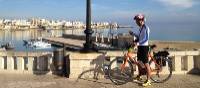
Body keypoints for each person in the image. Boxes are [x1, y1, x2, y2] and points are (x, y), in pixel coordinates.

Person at [129, 14, 151, 87]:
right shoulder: (140, 28)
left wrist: (137, 43)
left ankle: (148, 80)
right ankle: (140, 76)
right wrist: (133, 34)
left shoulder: (146, 28)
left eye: (137, 21)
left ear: (141, 20)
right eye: (136, 21)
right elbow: (139, 36)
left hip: (144, 47)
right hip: (140, 47)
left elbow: (146, 39)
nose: (136, 22)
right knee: (139, 62)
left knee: (146, 64)